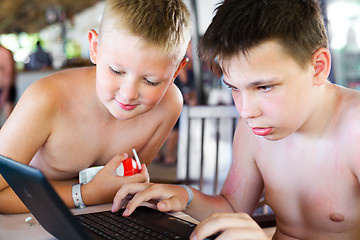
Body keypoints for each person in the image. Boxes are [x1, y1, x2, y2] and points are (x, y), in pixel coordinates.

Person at [111, 0, 360, 239]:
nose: (245, 111)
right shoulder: (255, 128)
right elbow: (232, 208)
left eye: (263, 87)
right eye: (234, 88)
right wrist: (184, 196)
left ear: (318, 67)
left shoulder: (355, 128)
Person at [0, 0, 191, 214]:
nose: (128, 94)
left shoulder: (169, 105)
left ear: (176, 71)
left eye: (151, 81)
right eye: (116, 71)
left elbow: (125, 188)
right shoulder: (47, 99)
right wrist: (85, 194)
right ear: (95, 48)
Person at [0, 43, 16, 122]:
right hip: (3, 89)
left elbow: (9, 73)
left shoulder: (4, 53)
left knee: (9, 120)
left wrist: (5, 92)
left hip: (6, 88)